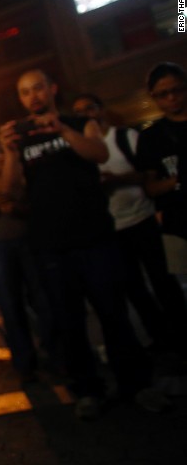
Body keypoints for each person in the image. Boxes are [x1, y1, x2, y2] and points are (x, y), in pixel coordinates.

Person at [0, 69, 169, 419]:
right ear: (21, 98)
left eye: (38, 89)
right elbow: (8, 190)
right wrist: (10, 152)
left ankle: (137, 384)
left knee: (113, 313)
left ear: (51, 89)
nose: (33, 96)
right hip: (50, 243)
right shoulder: (21, 138)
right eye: (25, 92)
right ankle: (87, 390)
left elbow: (99, 154)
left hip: (95, 237)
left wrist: (62, 130)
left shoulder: (79, 122)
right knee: (69, 321)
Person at [73, 93, 187, 354]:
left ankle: (180, 333)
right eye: (79, 113)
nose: (85, 115)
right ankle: (161, 340)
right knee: (135, 289)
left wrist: (119, 179)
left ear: (101, 110)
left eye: (89, 108)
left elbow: (149, 175)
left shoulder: (125, 138)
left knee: (163, 281)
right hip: (112, 230)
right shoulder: (82, 149)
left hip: (142, 219)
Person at [0, 139, 53, 380]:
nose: (0, 157)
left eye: (2, 153)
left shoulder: (18, 180)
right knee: (10, 304)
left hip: (26, 242)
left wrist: (16, 209)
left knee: (41, 299)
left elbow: (34, 209)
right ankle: (24, 362)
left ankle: (54, 352)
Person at [137, 62, 187, 286]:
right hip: (178, 226)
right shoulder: (150, 137)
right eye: (163, 94)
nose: (171, 98)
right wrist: (178, 179)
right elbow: (150, 187)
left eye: (176, 90)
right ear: (154, 97)